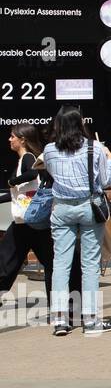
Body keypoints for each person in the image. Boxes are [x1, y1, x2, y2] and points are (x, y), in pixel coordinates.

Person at [43, 106, 111, 337]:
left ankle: (60, 320)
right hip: (88, 207)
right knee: (90, 265)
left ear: (58, 125)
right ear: (80, 124)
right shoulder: (95, 148)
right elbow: (105, 181)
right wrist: (109, 160)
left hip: (62, 207)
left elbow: (51, 175)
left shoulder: (49, 151)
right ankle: (91, 320)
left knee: (60, 264)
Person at [0, 124, 55, 301]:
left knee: (7, 261)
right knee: (8, 261)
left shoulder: (28, 157)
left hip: (30, 221)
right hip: (28, 222)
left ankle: (58, 305)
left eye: (12, 136)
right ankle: (57, 305)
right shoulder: (25, 158)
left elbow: (32, 174)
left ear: (22, 139)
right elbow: (20, 192)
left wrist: (11, 181)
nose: (10, 139)